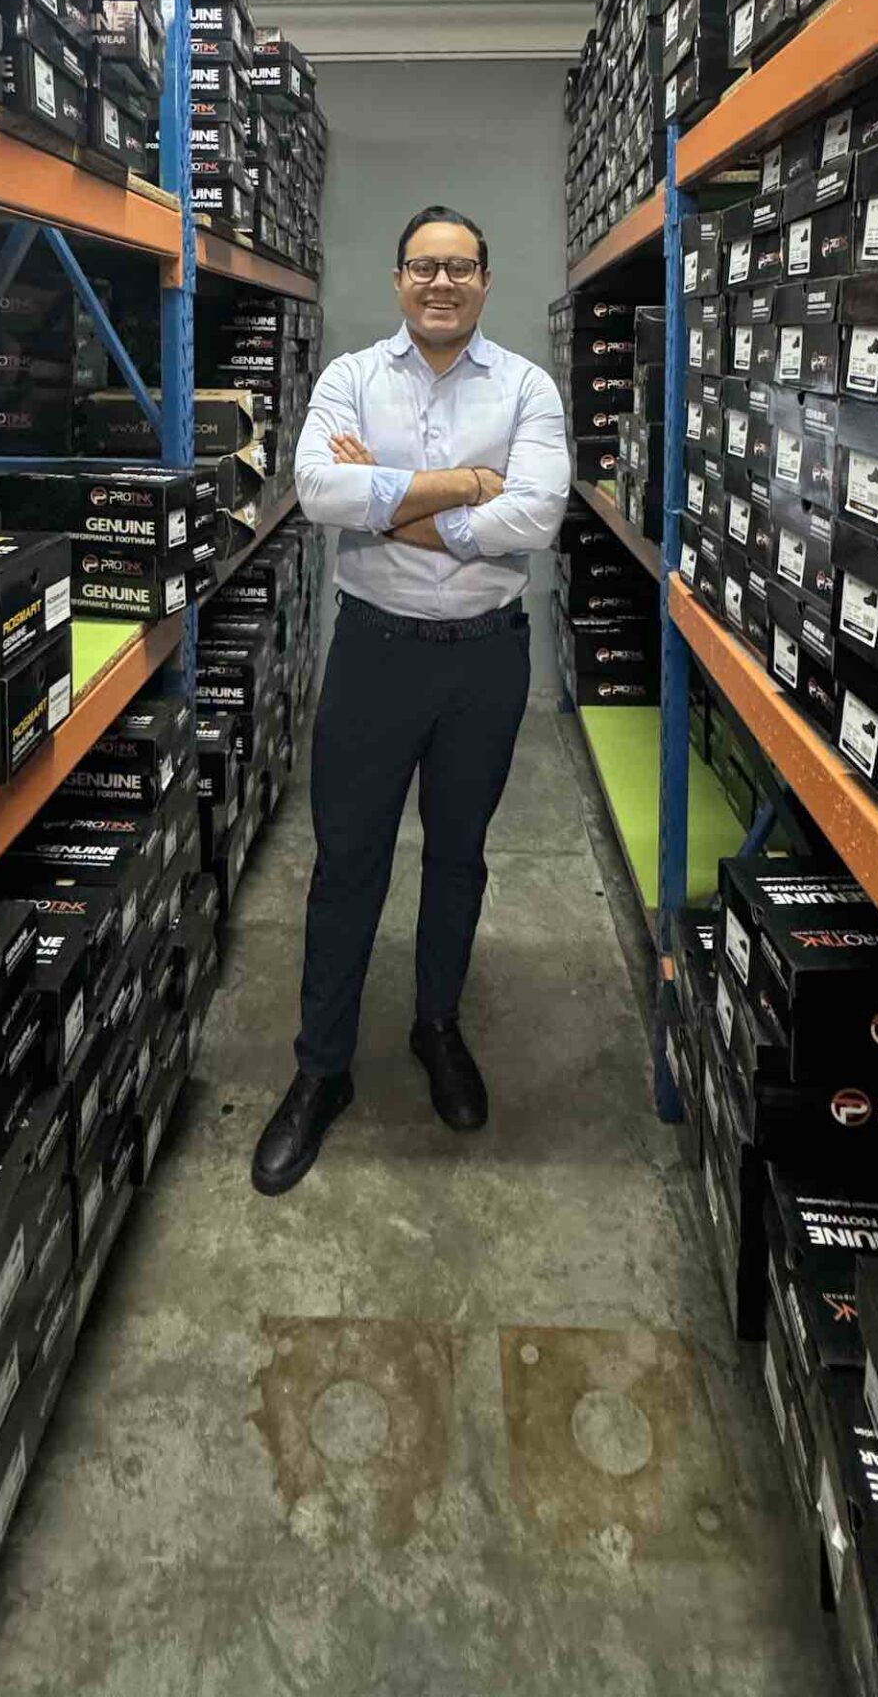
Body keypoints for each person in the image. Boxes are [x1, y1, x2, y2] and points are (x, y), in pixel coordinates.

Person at [252, 207, 571, 1197]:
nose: (442, 282)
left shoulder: (527, 386)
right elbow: (318, 493)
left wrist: (392, 500)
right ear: (398, 279)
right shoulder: (350, 378)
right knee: (347, 861)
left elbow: (537, 515)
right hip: (374, 655)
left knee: (458, 855)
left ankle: (437, 1026)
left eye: (460, 267)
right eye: (425, 266)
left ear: (485, 281)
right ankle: (321, 1066)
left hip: (486, 661)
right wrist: (465, 484)